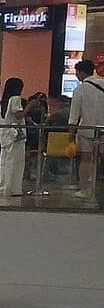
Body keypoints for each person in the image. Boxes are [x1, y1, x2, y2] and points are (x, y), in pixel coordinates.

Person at [68, 57, 104, 201]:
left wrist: (71, 137)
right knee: (101, 159)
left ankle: (85, 189)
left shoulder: (80, 90)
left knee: (86, 160)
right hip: (103, 130)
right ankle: (98, 187)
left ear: (81, 73)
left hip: (86, 130)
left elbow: (74, 116)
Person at [0, 76, 28, 197]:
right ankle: (13, 189)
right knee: (16, 163)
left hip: (4, 136)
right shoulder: (15, 99)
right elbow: (19, 115)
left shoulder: (1, 104)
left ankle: (3, 187)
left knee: (4, 163)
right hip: (14, 137)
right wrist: (30, 106)